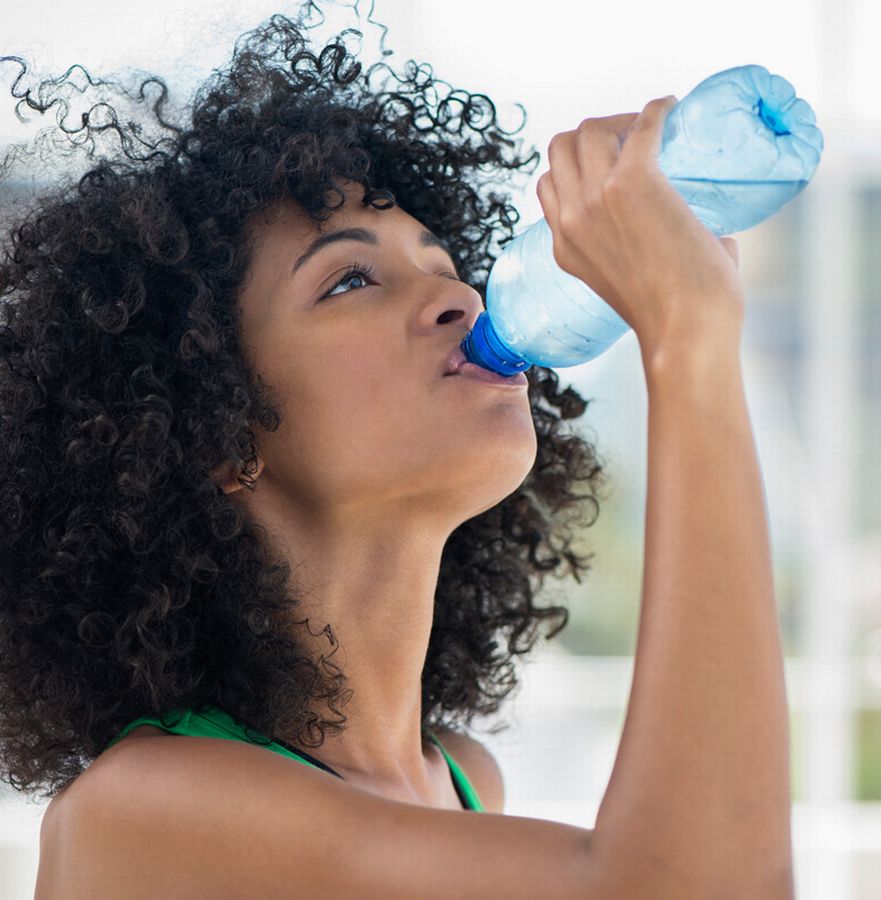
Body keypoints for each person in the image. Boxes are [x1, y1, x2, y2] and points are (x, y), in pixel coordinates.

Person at [1, 3, 792, 897]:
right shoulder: (137, 811)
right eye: (350, 279)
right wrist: (687, 338)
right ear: (220, 433)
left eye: (441, 256)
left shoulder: (461, 781)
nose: (457, 294)